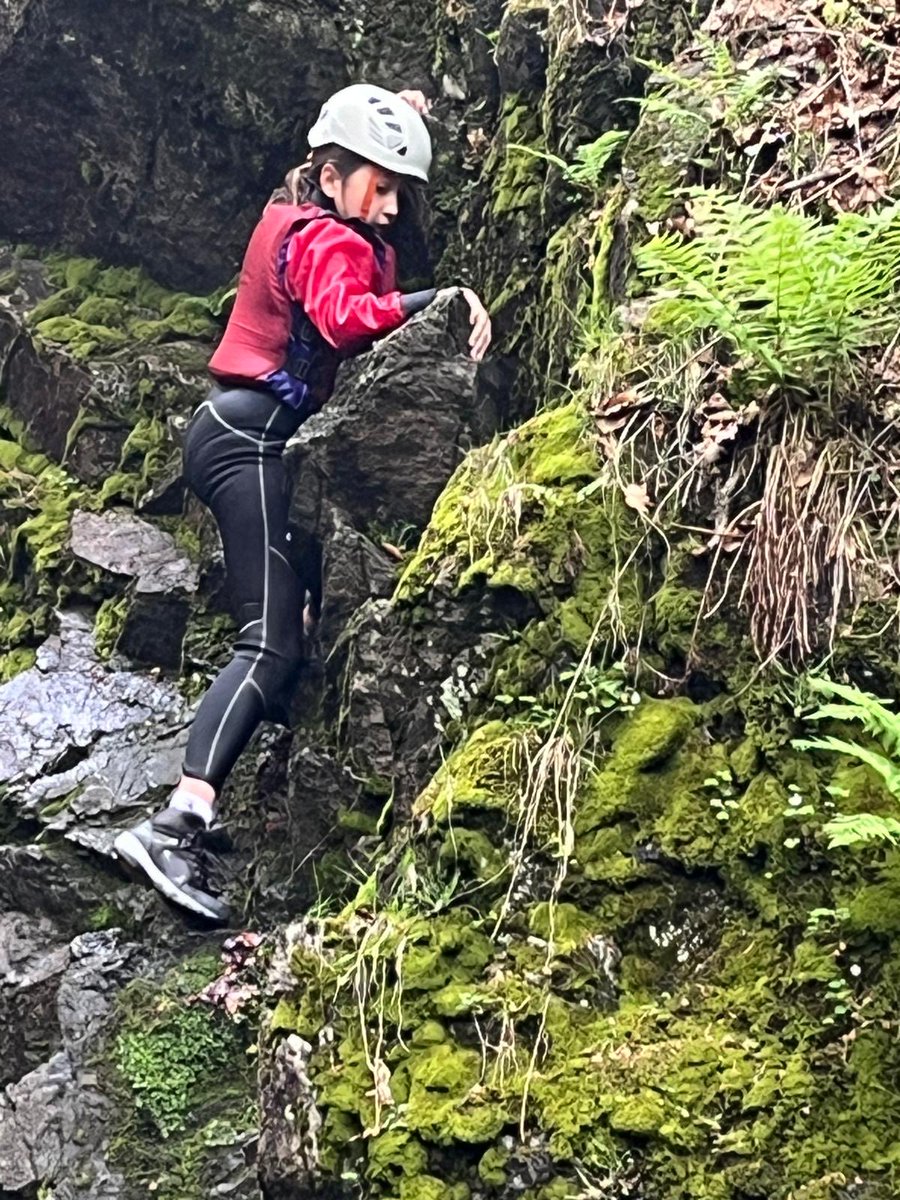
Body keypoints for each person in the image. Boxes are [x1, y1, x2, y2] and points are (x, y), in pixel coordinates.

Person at [113, 84, 492, 923]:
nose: (391, 210)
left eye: (400, 192)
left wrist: (397, 116)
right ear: (329, 175)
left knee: (294, 628)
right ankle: (176, 821)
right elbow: (350, 319)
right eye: (379, 187)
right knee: (270, 642)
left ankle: (196, 815)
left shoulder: (314, 217)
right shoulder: (322, 237)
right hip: (248, 435)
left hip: (255, 439)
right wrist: (446, 300)